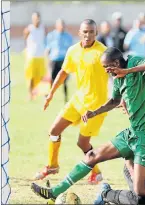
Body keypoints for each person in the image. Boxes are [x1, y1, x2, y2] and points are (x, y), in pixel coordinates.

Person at [31, 48, 145, 204]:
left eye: (107, 67)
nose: (106, 71)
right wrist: (94, 112)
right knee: (92, 155)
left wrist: (127, 71)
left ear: (115, 63)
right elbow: (114, 101)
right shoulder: (118, 80)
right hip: (132, 134)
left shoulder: (134, 62)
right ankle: (54, 192)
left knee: (141, 190)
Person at [34, 19, 108, 185]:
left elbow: (117, 75)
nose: (88, 35)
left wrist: (122, 98)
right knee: (54, 130)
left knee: (82, 143)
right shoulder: (73, 50)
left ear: (96, 33)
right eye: (85, 32)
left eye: (91, 32)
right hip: (78, 100)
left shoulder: (103, 53)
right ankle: (52, 166)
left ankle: (96, 172)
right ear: (79, 33)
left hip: (96, 105)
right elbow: (63, 72)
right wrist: (51, 94)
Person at [46, 18, 73, 103]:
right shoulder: (51, 35)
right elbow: (48, 48)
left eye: (63, 25)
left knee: (64, 79)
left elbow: (70, 49)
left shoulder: (68, 36)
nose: (62, 27)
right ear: (56, 26)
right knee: (52, 78)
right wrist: (47, 60)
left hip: (64, 60)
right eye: (60, 25)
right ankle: (49, 95)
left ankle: (66, 97)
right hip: (54, 59)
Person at [23, 12, 47, 100]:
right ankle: (30, 94)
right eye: (35, 18)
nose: (37, 20)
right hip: (31, 56)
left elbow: (45, 38)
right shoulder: (29, 28)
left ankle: (41, 94)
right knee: (31, 76)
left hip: (41, 56)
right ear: (32, 19)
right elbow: (25, 38)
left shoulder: (43, 28)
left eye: (38, 18)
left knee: (41, 76)